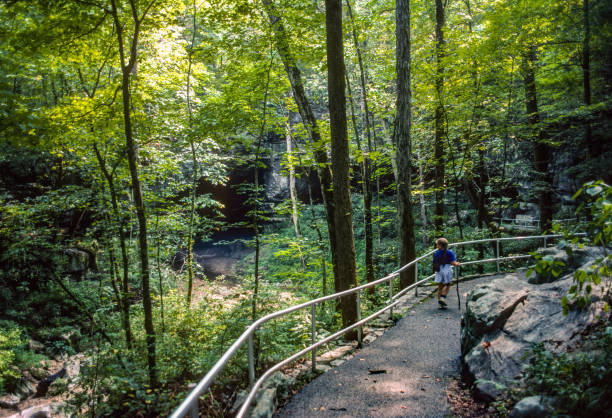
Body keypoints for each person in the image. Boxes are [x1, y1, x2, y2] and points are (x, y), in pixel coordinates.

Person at [433, 237, 460, 308]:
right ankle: (443, 297)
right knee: (448, 284)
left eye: (437, 245)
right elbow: (453, 262)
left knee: (440, 286)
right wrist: (457, 263)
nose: (436, 246)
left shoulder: (436, 253)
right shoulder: (450, 252)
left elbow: (435, 263)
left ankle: (440, 303)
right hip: (447, 269)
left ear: (440, 245)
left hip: (439, 270)